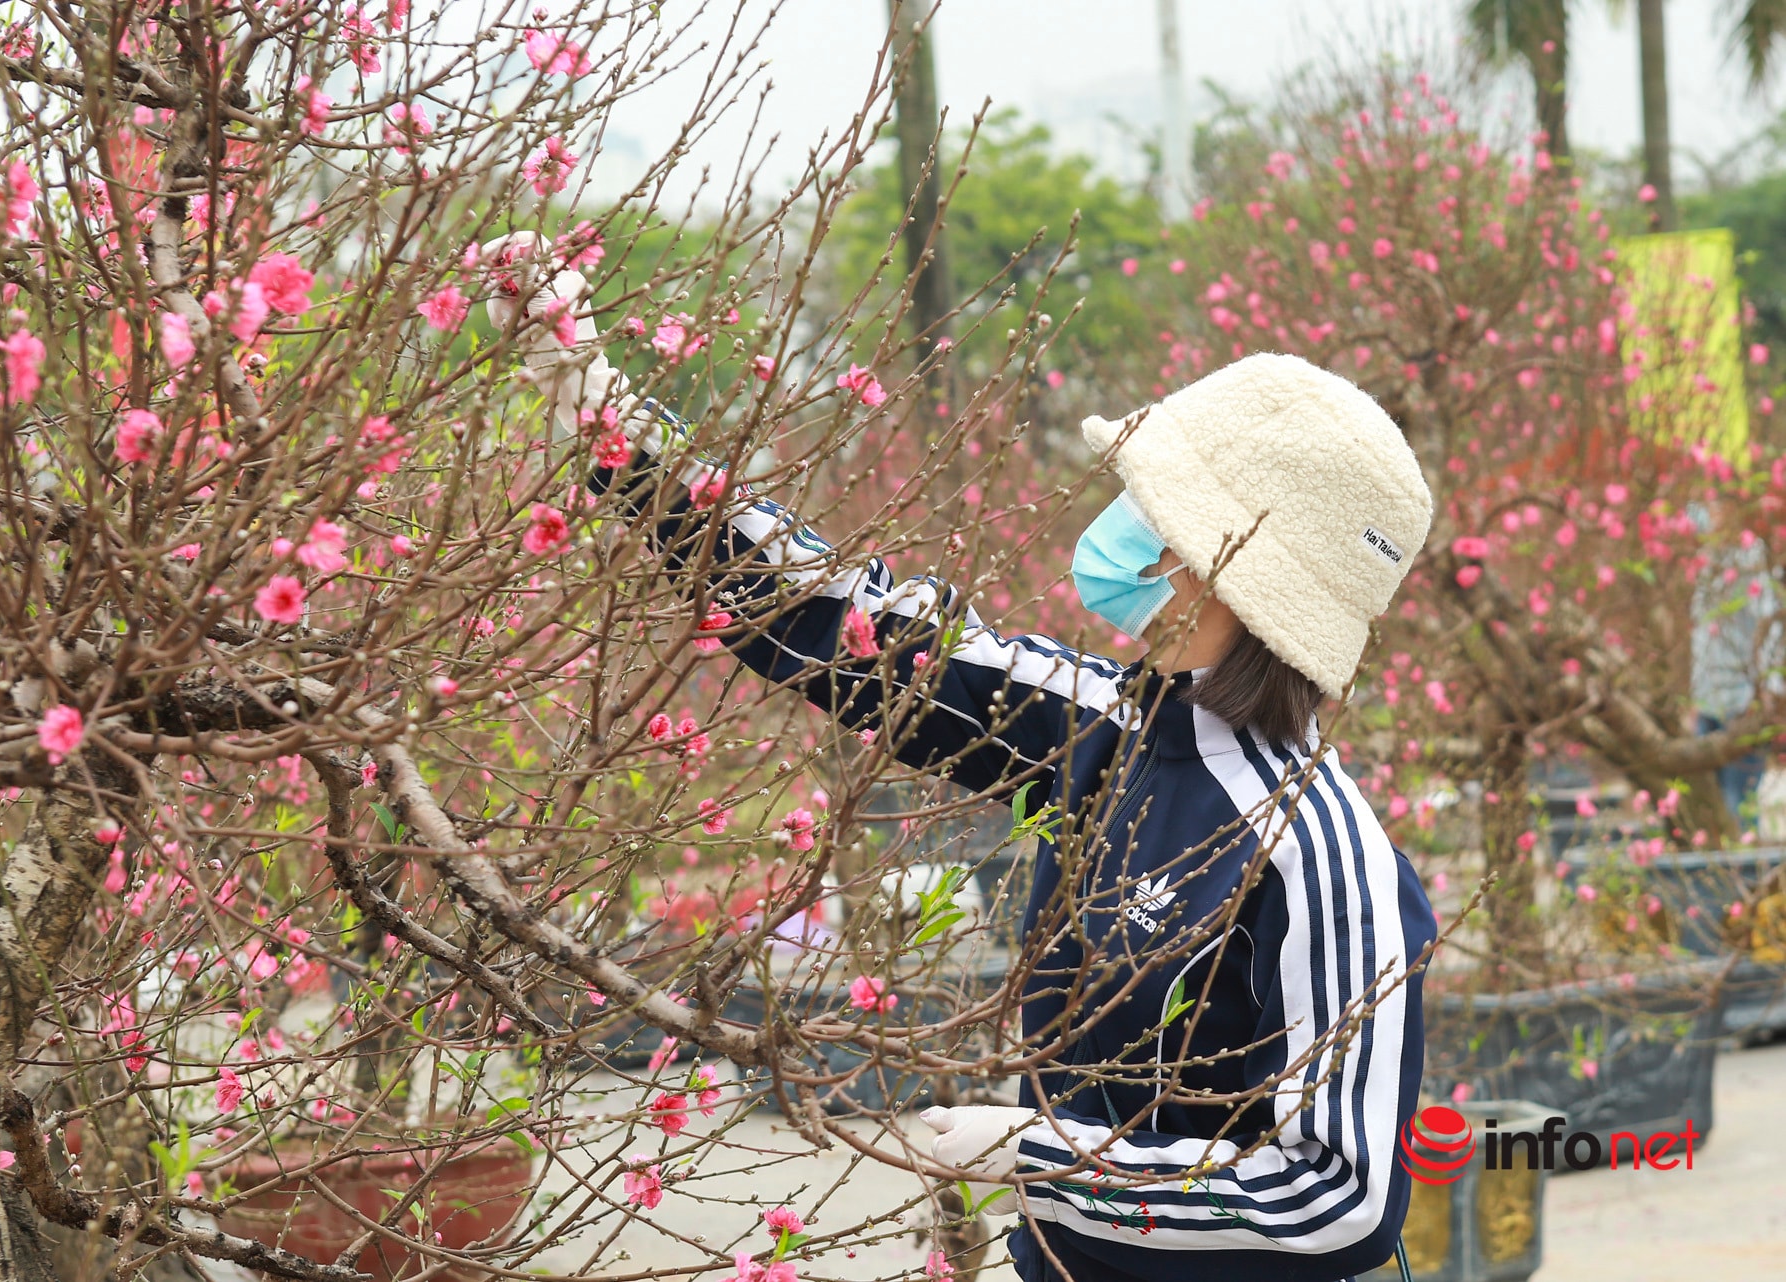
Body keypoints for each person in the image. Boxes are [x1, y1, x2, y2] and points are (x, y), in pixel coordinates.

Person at [490, 240, 1438, 1282]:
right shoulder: (1100, 732)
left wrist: (1045, 1155)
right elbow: (835, 625)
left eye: (1152, 511)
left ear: (1217, 571)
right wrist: (594, 399)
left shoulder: (1320, 856)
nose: (1119, 525)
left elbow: (1340, 1202)